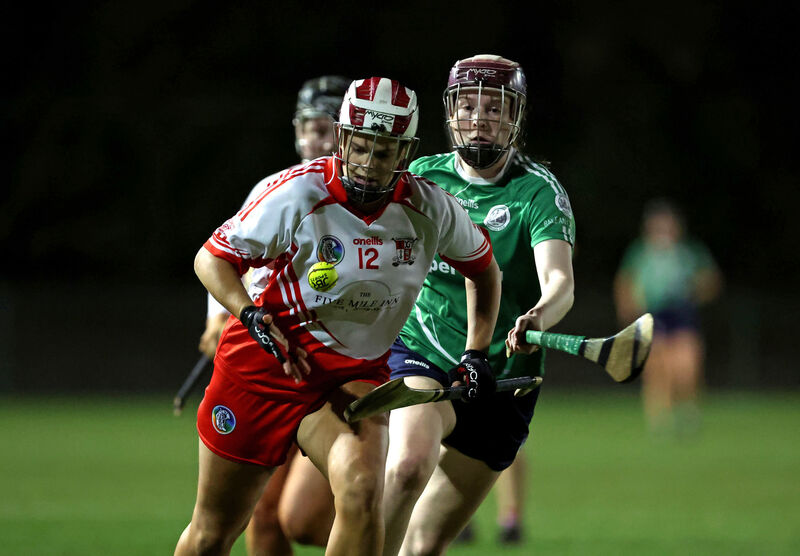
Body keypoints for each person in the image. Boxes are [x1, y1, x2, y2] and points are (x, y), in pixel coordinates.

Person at [175, 76, 503, 556]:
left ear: (406, 153)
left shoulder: (430, 207)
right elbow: (211, 259)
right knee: (212, 534)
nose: (368, 164)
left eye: (384, 152)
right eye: (361, 147)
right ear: (343, 138)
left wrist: (476, 352)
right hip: (267, 367)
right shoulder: (299, 192)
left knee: (363, 490)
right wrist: (248, 313)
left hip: (353, 375)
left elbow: (485, 271)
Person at [382, 54, 576, 555]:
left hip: (502, 378)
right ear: (450, 112)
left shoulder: (537, 191)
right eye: (468, 105)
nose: (479, 118)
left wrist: (539, 313)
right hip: (426, 351)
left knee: (423, 545)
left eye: (495, 107)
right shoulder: (421, 178)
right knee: (407, 467)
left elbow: (559, 280)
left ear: (515, 117)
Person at [196, 75, 348, 555]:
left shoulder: (370, 202)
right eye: (307, 128)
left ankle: (404, 530)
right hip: (273, 364)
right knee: (261, 515)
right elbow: (227, 256)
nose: (314, 141)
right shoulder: (277, 188)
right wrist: (219, 319)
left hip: (334, 370)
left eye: (324, 130)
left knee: (302, 518)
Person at [614, 198, 721, 435]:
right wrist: (627, 309)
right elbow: (625, 281)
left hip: (682, 314)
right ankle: (659, 418)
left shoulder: (689, 252)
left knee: (686, 366)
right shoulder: (640, 253)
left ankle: (688, 409)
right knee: (656, 368)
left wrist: (696, 290)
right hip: (653, 314)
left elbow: (710, 281)